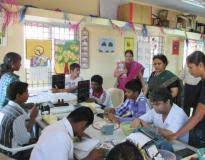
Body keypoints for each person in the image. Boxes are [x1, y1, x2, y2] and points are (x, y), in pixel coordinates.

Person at [30, 107, 103, 160]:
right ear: (82, 124)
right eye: (84, 128)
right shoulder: (61, 138)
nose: (83, 132)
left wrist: (77, 133)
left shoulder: (59, 125)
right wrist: (89, 158)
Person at [167, 51, 205, 148]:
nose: (189, 70)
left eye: (191, 67)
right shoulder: (202, 82)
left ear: (200, 65)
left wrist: (176, 135)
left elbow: (198, 115)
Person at [0, 81, 38, 160]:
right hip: (12, 154)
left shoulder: (5, 109)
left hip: (3, 150)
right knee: (44, 146)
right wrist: (32, 118)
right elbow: (25, 141)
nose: (28, 95)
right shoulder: (18, 116)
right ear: (18, 96)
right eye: (26, 92)